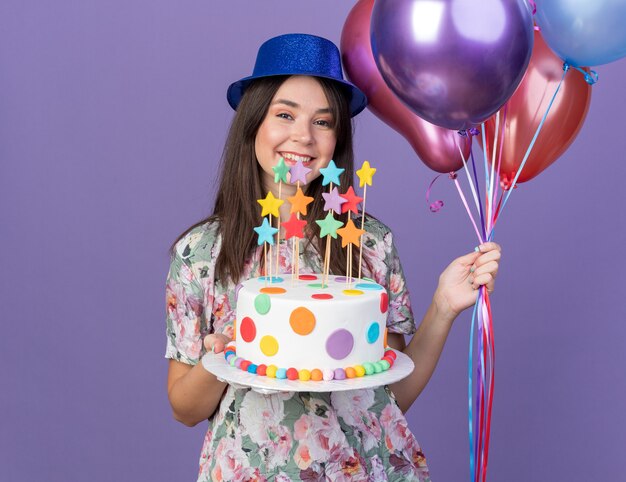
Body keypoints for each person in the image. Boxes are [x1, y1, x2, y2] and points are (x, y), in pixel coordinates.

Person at [165, 33, 501, 482]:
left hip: (364, 467)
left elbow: (391, 395)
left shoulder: (368, 242)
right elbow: (185, 410)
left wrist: (443, 307)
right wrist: (223, 356)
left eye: (323, 122)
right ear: (253, 124)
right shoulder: (201, 254)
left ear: (337, 136)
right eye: (285, 114)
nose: (303, 136)